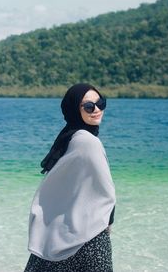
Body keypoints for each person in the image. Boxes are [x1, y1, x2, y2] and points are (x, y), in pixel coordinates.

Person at [24, 83, 116, 272]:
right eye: (89, 106)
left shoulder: (71, 137)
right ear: (75, 109)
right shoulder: (88, 141)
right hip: (90, 239)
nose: (97, 110)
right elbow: (106, 190)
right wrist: (108, 221)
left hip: (62, 234)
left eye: (101, 103)